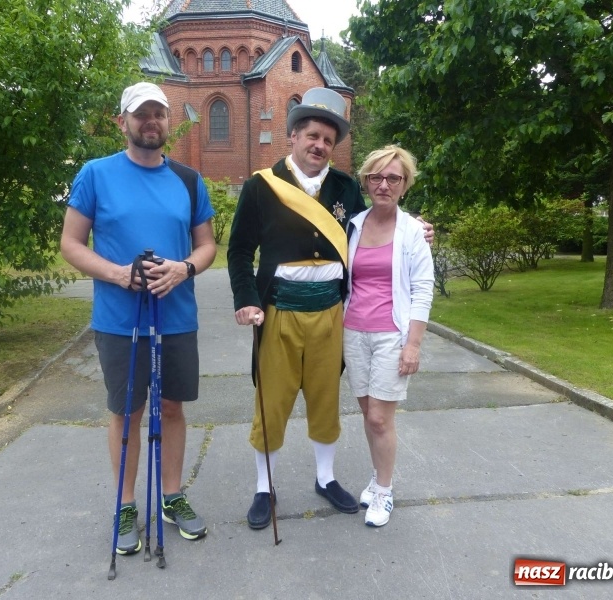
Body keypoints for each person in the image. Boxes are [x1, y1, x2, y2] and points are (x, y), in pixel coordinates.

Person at [228, 88, 434, 529]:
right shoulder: (261, 186)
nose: (320, 145)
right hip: (278, 311)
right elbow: (240, 251)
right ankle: (264, 487)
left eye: (327, 139)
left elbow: (378, 221)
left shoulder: (344, 187)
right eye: (312, 136)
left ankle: (326, 477)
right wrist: (246, 300)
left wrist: (414, 226)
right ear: (293, 137)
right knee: (273, 400)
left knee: (325, 400)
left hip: (330, 315)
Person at [60, 82, 216, 554]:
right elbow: (70, 245)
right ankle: (126, 504)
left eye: (159, 114)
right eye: (141, 114)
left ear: (170, 121)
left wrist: (183, 267)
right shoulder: (95, 174)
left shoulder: (189, 180)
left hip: (176, 317)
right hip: (118, 319)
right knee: (126, 413)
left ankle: (171, 496)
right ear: (122, 122)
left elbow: (207, 246)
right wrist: (119, 274)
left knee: (172, 408)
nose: (151, 122)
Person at [343, 145, 434, 527]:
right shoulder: (353, 224)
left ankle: (384, 490)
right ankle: (377, 476)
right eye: (376, 177)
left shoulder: (413, 231)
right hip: (353, 333)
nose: (383, 184)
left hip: (391, 337)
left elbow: (422, 288)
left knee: (381, 418)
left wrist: (412, 345)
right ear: (365, 181)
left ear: (405, 184)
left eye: (393, 178)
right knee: (368, 413)